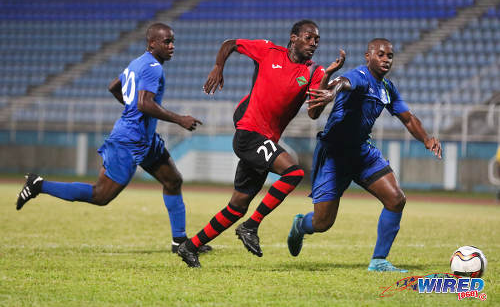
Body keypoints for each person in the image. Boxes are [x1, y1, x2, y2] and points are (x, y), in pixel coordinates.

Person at [16, 22, 211, 254]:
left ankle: (179, 241)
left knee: (173, 181)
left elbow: (113, 86)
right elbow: (144, 103)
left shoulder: (137, 62)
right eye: (167, 41)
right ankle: (39, 185)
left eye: (173, 41)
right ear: (152, 43)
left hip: (144, 139)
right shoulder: (152, 67)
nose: (172, 46)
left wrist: (132, 109)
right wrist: (180, 119)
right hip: (128, 141)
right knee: (101, 195)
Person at [177, 19, 346, 267]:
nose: (313, 43)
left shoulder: (314, 72)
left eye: (317, 40)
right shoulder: (268, 51)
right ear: (293, 37)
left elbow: (312, 114)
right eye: (308, 38)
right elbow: (230, 43)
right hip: (249, 134)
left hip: (265, 140)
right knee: (294, 172)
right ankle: (251, 226)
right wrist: (218, 66)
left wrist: (329, 80)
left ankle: (189, 246)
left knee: (237, 206)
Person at [287, 38, 442, 272]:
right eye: (380, 54)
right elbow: (343, 82)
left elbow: (408, 119)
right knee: (322, 223)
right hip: (334, 155)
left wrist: (427, 139)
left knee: (396, 199)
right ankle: (301, 225)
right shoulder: (359, 75)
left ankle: (379, 261)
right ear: (367, 56)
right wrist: (331, 92)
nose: (386, 60)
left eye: (389, 56)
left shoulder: (387, 88)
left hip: (362, 152)